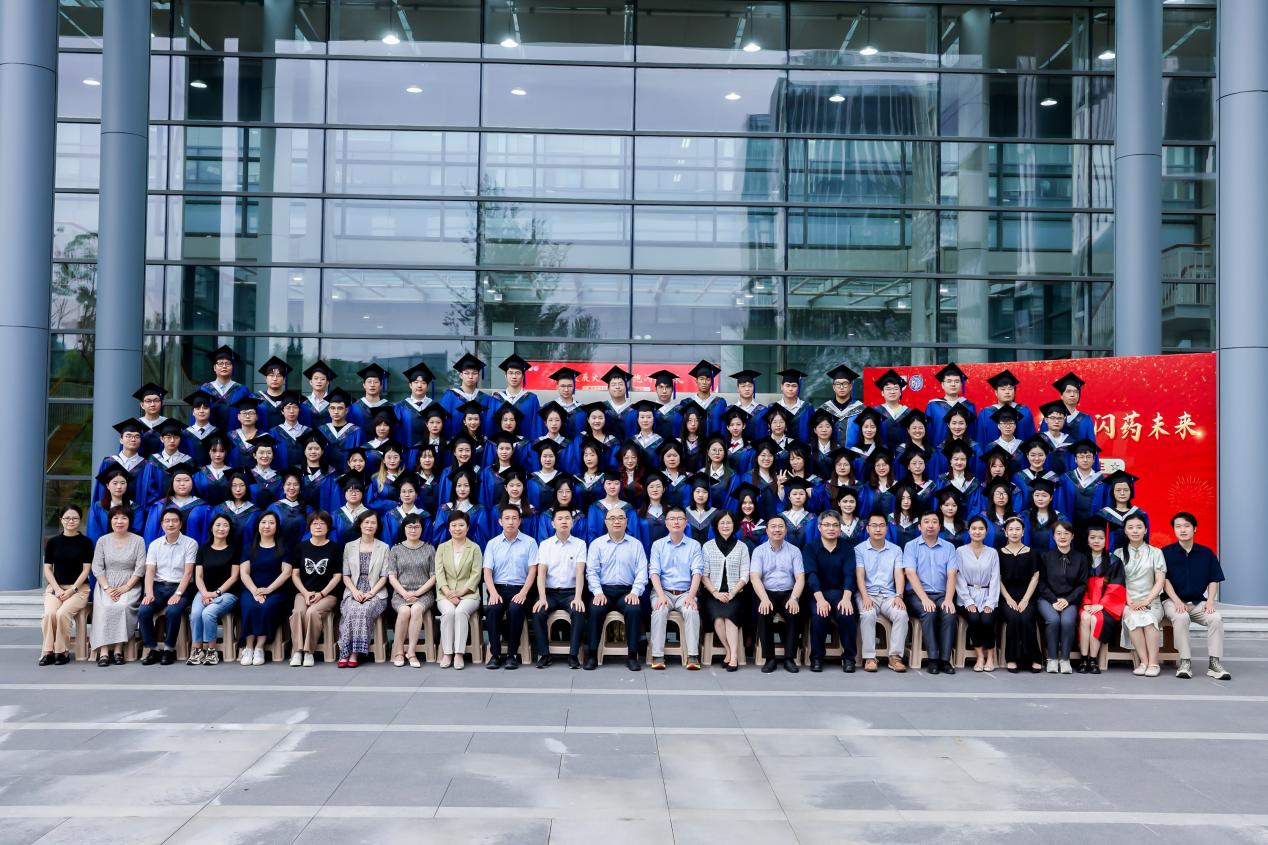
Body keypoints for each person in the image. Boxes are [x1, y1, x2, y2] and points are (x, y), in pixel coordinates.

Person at [1161, 512, 1231, 680]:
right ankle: (1185, 662)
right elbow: (1164, 580)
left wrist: (1210, 601)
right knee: (1181, 616)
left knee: (1215, 618)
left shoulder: (1206, 553)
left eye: (1186, 526)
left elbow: (1214, 579)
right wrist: (1177, 601)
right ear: (1174, 530)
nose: (1182, 530)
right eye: (1178, 526)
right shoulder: (1165, 553)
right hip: (1172, 601)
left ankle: (1214, 663)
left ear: (1195, 529)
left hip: (1198, 602)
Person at [584, 508, 648, 672]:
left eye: (620, 518)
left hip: (627, 591)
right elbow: (591, 572)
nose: (616, 521)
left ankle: (632, 656)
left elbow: (642, 571)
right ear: (606, 522)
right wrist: (597, 592)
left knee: (634, 609)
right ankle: (592, 655)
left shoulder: (636, 544)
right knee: (595, 609)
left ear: (626, 522)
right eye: (612, 518)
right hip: (603, 591)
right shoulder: (597, 544)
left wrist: (635, 592)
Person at [137, 508, 197, 666]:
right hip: (158, 587)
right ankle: (153, 649)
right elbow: (150, 571)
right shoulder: (155, 545)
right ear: (162, 524)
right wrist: (149, 593)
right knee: (143, 610)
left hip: (180, 587)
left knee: (173, 611)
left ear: (181, 524)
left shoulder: (190, 543)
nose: (171, 524)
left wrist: (178, 593)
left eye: (175, 521)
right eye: (167, 521)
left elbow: (188, 572)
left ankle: (169, 649)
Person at [482, 504, 539, 669]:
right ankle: (495, 654)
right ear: (500, 521)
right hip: (498, 589)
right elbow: (487, 572)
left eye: (514, 518)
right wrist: (493, 593)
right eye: (507, 518)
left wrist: (523, 592)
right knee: (493, 609)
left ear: (520, 521)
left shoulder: (530, 542)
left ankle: (512, 655)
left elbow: (533, 571)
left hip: (521, 589)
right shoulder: (492, 544)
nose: (511, 522)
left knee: (515, 608)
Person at [802, 509, 859, 673]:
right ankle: (817, 657)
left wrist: (847, 598)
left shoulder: (847, 548)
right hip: (817, 594)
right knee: (820, 614)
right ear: (819, 527)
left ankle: (849, 658)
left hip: (841, 594)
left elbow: (850, 574)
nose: (831, 528)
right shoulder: (810, 548)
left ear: (840, 528)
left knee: (847, 614)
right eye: (827, 525)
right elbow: (811, 575)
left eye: (835, 525)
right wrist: (820, 600)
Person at [903, 510, 959, 674]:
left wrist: (948, 599)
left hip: (942, 594)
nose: (930, 525)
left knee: (949, 613)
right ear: (919, 526)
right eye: (926, 522)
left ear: (940, 526)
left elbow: (952, 574)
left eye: (934, 522)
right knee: (929, 612)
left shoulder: (949, 547)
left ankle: (945, 660)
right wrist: (925, 599)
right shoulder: (911, 546)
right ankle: (933, 659)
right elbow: (910, 574)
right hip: (917, 595)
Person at [530, 508, 588, 669]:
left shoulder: (580, 544)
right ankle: (544, 655)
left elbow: (580, 572)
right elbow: (541, 573)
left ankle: (573, 655)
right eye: (560, 518)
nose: (564, 521)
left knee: (578, 611)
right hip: (550, 593)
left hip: (571, 593)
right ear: (553, 523)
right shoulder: (545, 545)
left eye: (567, 518)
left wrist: (578, 597)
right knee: (538, 611)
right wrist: (542, 597)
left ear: (572, 522)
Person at [90, 506, 147, 666]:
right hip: (106, 584)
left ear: (130, 521)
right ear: (110, 521)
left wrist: (126, 587)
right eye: (115, 518)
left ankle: (117, 649)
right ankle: (103, 651)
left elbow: (140, 568)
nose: (119, 521)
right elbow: (97, 567)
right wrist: (107, 588)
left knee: (122, 607)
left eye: (124, 518)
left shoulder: (138, 540)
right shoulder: (103, 540)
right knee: (105, 607)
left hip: (130, 584)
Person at [648, 507, 704, 670]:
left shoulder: (694, 545)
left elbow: (697, 572)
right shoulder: (658, 545)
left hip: (685, 592)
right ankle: (658, 655)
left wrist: (691, 596)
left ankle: (692, 656)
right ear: (666, 523)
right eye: (672, 518)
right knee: (659, 610)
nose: (676, 522)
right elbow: (654, 573)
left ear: (686, 523)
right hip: (663, 591)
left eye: (680, 518)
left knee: (691, 611)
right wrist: (661, 596)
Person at [750, 514, 805, 673]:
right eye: (773, 526)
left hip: (789, 592)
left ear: (786, 530)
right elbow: (755, 577)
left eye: (781, 526)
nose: (777, 530)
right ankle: (770, 658)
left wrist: (794, 598)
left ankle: (789, 658)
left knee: (794, 612)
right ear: (767, 530)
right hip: (766, 592)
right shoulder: (759, 551)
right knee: (764, 611)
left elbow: (800, 578)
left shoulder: (794, 551)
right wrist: (764, 599)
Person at [854, 512, 909, 672]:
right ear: (867, 529)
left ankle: (895, 657)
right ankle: (870, 657)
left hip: (889, 595)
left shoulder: (896, 550)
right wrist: (865, 597)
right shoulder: (859, 549)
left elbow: (899, 574)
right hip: (867, 594)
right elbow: (859, 574)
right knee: (867, 614)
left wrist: (899, 595)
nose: (878, 529)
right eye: (874, 525)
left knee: (901, 614)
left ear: (887, 528)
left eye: (881, 525)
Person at [38, 506, 93, 666]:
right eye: (67, 518)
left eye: (75, 518)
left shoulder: (86, 542)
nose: (71, 521)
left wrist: (72, 590)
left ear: (80, 520)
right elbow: (47, 568)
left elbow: (86, 570)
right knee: (49, 614)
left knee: (62, 614)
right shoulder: (53, 542)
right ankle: (48, 652)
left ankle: (62, 651)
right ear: (61, 520)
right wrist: (57, 588)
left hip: (79, 589)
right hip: (55, 588)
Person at [288, 511, 344, 667]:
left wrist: (321, 593)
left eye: (322, 523)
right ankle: (297, 651)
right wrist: (305, 593)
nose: (318, 526)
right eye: (315, 523)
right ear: (309, 527)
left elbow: (337, 576)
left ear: (328, 527)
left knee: (312, 612)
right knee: (298, 612)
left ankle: (308, 652)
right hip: (303, 592)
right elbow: (295, 575)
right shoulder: (301, 547)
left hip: (328, 594)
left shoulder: (334, 548)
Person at [238, 511, 294, 666]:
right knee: (249, 606)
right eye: (263, 522)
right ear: (258, 526)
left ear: (277, 526)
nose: (267, 526)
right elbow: (244, 573)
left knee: (266, 606)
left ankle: (259, 647)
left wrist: (268, 590)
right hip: (251, 590)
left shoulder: (284, 548)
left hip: (276, 591)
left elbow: (286, 573)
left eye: (271, 523)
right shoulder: (249, 548)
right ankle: (249, 647)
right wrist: (255, 591)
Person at [336, 509, 389, 667]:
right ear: (360, 525)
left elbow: (384, 576)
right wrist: (354, 591)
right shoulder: (349, 546)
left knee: (363, 609)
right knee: (352, 609)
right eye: (366, 522)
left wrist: (371, 593)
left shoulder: (384, 547)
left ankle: (354, 653)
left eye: (373, 523)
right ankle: (344, 651)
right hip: (353, 590)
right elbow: (346, 575)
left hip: (376, 592)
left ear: (378, 526)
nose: (369, 525)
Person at [186, 514, 241, 666]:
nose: (221, 528)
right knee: (195, 614)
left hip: (227, 594)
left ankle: (211, 651)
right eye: (218, 525)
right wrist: (204, 593)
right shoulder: (203, 549)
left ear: (229, 529)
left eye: (225, 525)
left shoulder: (234, 549)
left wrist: (216, 593)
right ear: (211, 528)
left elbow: (234, 577)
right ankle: (197, 650)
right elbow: (198, 576)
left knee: (208, 613)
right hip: (204, 591)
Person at [1116, 513, 1166, 677]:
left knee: (1149, 619)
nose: (1135, 531)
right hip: (1128, 601)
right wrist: (1130, 602)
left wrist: (1146, 601)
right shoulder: (1118, 553)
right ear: (1125, 531)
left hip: (1152, 601)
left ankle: (1153, 663)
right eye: (1130, 528)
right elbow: (1118, 583)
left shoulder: (1156, 552)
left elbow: (1160, 581)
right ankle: (1143, 662)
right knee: (1134, 618)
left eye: (1139, 527)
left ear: (1145, 530)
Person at [1036, 521, 1089, 674]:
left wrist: (1068, 600)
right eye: (1058, 533)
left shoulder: (1081, 558)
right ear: (1053, 537)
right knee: (1053, 620)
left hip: (1070, 600)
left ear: (1072, 536)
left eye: (1066, 533)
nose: (1062, 536)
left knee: (1067, 621)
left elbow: (1082, 584)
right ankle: (1052, 659)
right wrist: (1053, 600)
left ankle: (1065, 659)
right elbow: (1041, 583)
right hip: (1047, 599)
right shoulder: (1045, 557)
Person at [700, 510, 749, 672]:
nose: (726, 526)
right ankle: (730, 651)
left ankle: (733, 657)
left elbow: (745, 575)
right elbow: (704, 575)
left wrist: (732, 593)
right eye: (722, 523)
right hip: (712, 594)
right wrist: (715, 593)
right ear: (716, 526)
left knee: (730, 617)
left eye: (729, 522)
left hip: (736, 594)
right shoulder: (708, 547)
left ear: (734, 525)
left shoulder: (742, 547)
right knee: (718, 619)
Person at [385, 513, 437, 668]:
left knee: (415, 609)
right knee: (404, 611)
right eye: (410, 527)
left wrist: (417, 593)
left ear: (422, 529)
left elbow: (434, 577)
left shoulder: (429, 549)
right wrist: (404, 593)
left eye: (417, 527)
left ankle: (412, 652)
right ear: (404, 529)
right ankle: (399, 651)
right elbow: (392, 576)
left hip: (424, 594)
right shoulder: (396, 549)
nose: (413, 530)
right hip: (401, 593)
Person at [434, 510, 483, 669]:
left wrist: (461, 592)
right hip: (445, 594)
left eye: (461, 525)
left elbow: (476, 574)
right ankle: (447, 653)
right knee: (448, 612)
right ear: (449, 528)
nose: (457, 528)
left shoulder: (474, 548)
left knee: (461, 611)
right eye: (454, 525)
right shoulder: (442, 548)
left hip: (469, 594)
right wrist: (448, 592)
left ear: (467, 528)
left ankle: (459, 654)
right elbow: (439, 573)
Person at [1077, 520, 1124, 674]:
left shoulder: (1114, 561)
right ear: (1087, 540)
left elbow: (1116, 586)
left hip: (1105, 606)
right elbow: (1077, 585)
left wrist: (1101, 604)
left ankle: (1093, 659)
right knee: (1085, 617)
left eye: (1101, 538)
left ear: (1106, 540)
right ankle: (1083, 659)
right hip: (1084, 603)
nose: (1096, 541)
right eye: (1092, 537)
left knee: (1095, 618)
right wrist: (1086, 603)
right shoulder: (1080, 559)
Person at [955, 516, 1000, 672]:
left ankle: (991, 656)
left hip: (988, 595)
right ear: (969, 531)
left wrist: (990, 602)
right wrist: (968, 601)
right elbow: (959, 577)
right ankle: (980, 656)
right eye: (974, 528)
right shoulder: (960, 552)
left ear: (986, 532)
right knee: (974, 619)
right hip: (966, 596)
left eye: (981, 529)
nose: (977, 532)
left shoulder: (992, 553)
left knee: (987, 620)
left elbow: (995, 578)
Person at [998, 516, 1042, 673]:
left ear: (1023, 532)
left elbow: (1035, 577)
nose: (1014, 532)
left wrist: (1025, 600)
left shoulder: (1032, 553)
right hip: (1006, 597)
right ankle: (1011, 658)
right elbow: (997, 579)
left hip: (1028, 596)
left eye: (1018, 529)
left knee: (1026, 618)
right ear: (1005, 532)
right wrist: (1008, 598)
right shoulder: (999, 553)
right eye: (1010, 529)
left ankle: (1035, 658)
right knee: (1014, 618)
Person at [300, 359, 337, 428]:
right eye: (316, 378)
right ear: (311, 382)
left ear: (327, 383)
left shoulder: (333, 402)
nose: (319, 381)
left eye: (323, 379)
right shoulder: (303, 402)